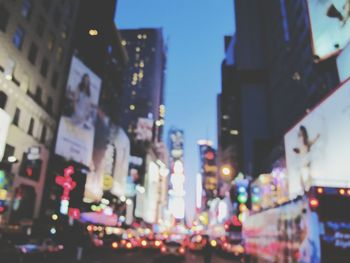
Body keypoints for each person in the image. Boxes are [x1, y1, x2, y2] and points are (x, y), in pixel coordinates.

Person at [293, 125, 320, 192]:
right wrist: (297, 151)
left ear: (303, 132)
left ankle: (308, 189)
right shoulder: (299, 140)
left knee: (307, 175)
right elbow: (300, 150)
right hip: (302, 160)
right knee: (302, 177)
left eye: (301, 131)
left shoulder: (305, 140)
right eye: (299, 131)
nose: (300, 132)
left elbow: (311, 143)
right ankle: (305, 190)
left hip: (306, 159)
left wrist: (317, 137)